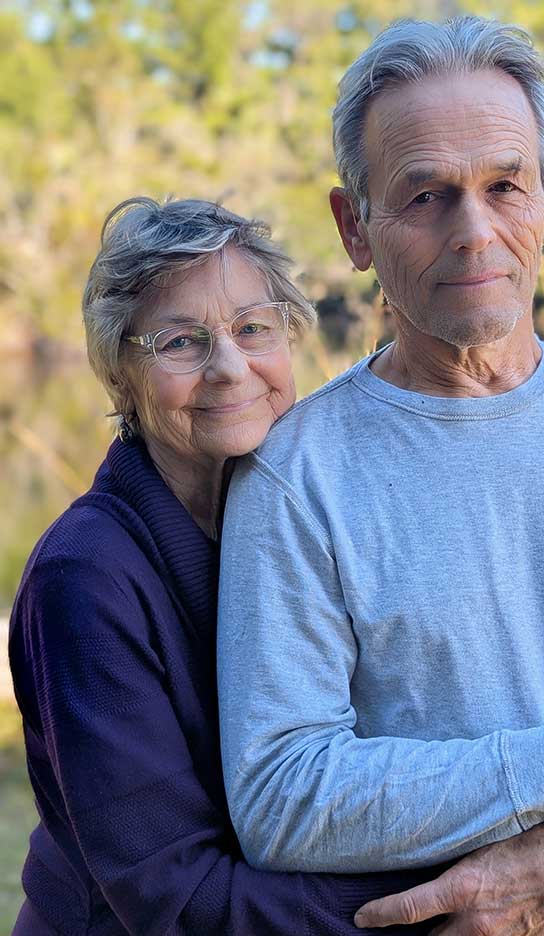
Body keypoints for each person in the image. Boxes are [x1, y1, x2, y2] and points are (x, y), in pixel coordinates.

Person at [217, 17, 544, 936]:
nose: (474, 231)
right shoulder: (296, 473)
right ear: (354, 228)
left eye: (504, 185)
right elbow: (281, 791)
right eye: (425, 196)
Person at [8, 196, 446, 935]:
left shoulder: (322, 521)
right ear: (120, 375)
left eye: (253, 328)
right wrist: (450, 897)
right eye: (180, 342)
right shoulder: (85, 581)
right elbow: (177, 898)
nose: (230, 368)